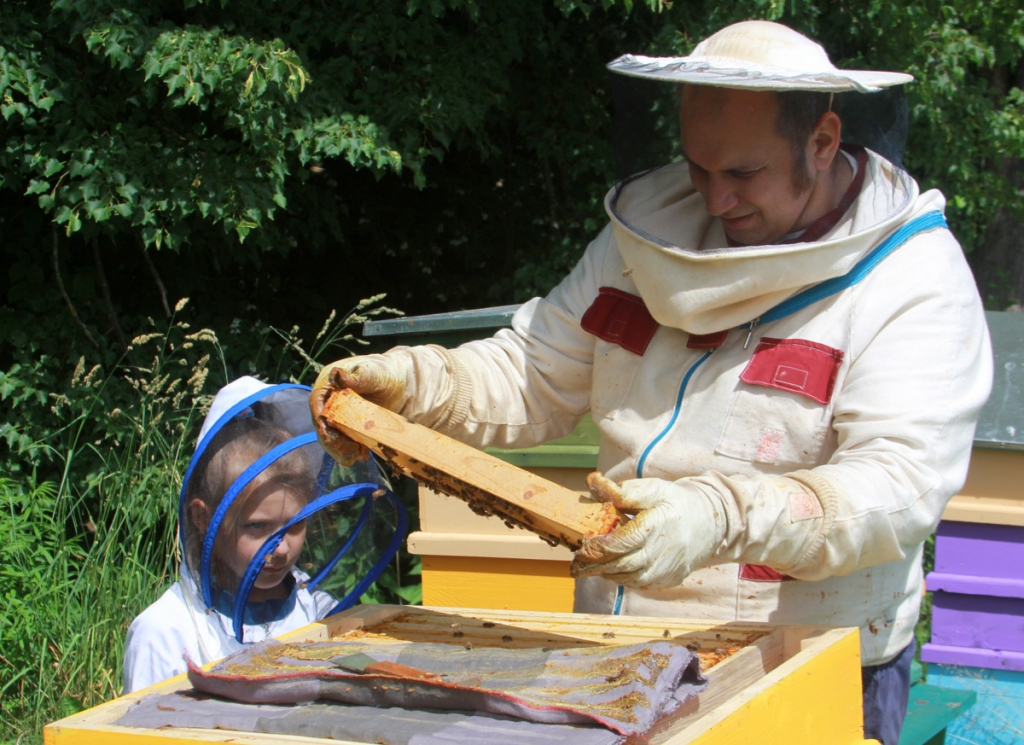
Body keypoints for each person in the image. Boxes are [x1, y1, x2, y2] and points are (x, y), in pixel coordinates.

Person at [310, 21, 993, 744]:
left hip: (804, 665)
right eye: (700, 168)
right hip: (614, 653)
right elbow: (532, 371)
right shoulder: (642, 242)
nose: (715, 200)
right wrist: (414, 382)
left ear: (822, 142)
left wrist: (720, 516)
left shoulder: (912, 281)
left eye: (742, 174)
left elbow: (897, 483)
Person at [123, 376, 404, 693]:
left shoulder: (316, 610)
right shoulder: (165, 632)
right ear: (203, 517)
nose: (281, 548)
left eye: (294, 524)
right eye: (257, 527)